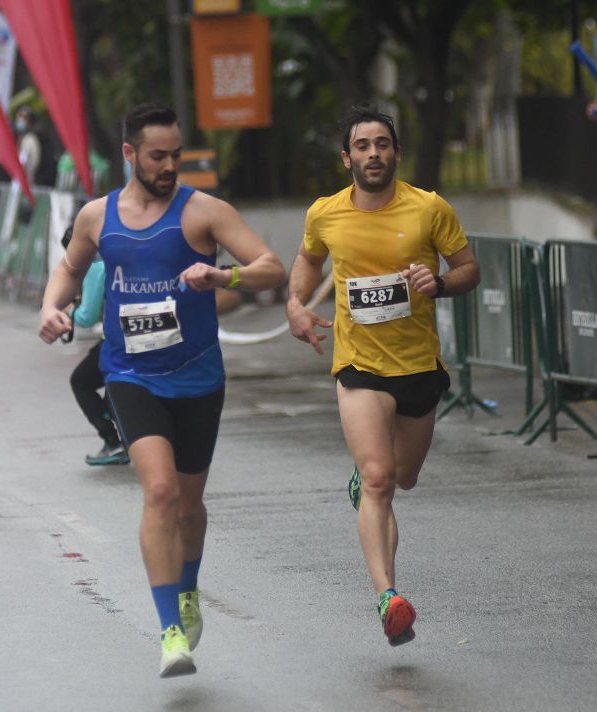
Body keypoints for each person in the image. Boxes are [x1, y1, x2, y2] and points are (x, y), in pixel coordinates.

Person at [39, 103, 286, 678]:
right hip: (129, 373)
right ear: (130, 155)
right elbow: (69, 270)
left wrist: (221, 275)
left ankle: (189, 589)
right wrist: (51, 307)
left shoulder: (203, 213)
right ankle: (170, 630)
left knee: (191, 503)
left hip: (198, 375)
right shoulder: (98, 217)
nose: (170, 165)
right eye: (158, 156)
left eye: (176, 154)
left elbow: (272, 267)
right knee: (159, 493)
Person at [286, 104, 480, 647]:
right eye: (363, 146)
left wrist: (438, 282)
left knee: (405, 476)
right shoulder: (325, 213)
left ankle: (372, 478)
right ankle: (388, 598)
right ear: (346, 157)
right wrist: (296, 304)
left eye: (383, 144)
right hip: (359, 365)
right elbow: (308, 259)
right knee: (378, 479)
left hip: (417, 365)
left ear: (396, 152)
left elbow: (469, 269)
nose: (374, 154)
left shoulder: (429, 209)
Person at [61, 228, 129, 466]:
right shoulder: (120, 253)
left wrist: (70, 313)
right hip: (145, 329)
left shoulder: (94, 266)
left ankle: (113, 440)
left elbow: (88, 316)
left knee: (81, 380)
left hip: (118, 339)